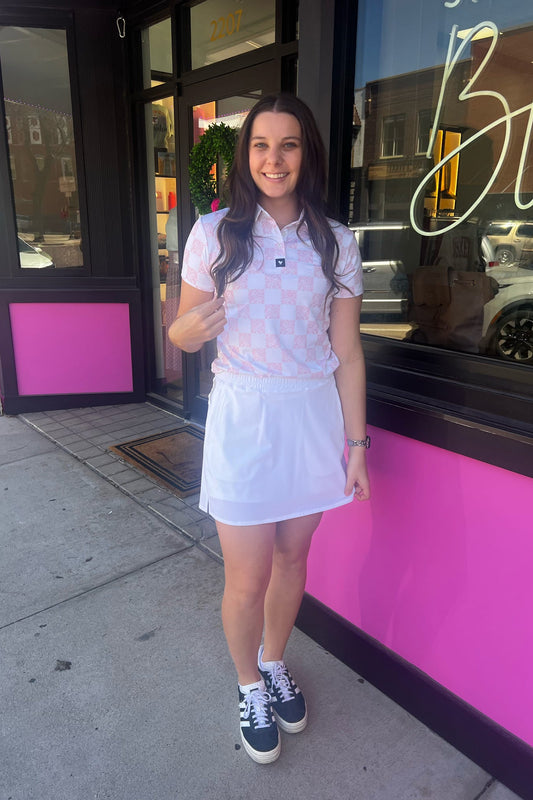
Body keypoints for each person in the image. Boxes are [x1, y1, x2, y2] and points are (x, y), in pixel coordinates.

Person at [168, 93, 370, 765]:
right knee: (246, 577)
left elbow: (347, 352)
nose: (273, 159)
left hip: (311, 419)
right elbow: (182, 334)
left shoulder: (335, 241)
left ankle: (275, 659)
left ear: (305, 152)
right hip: (244, 418)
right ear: (243, 153)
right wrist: (188, 331)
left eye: (287, 145)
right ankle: (248, 682)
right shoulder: (213, 232)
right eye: (260, 144)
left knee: (292, 559)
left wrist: (357, 444)